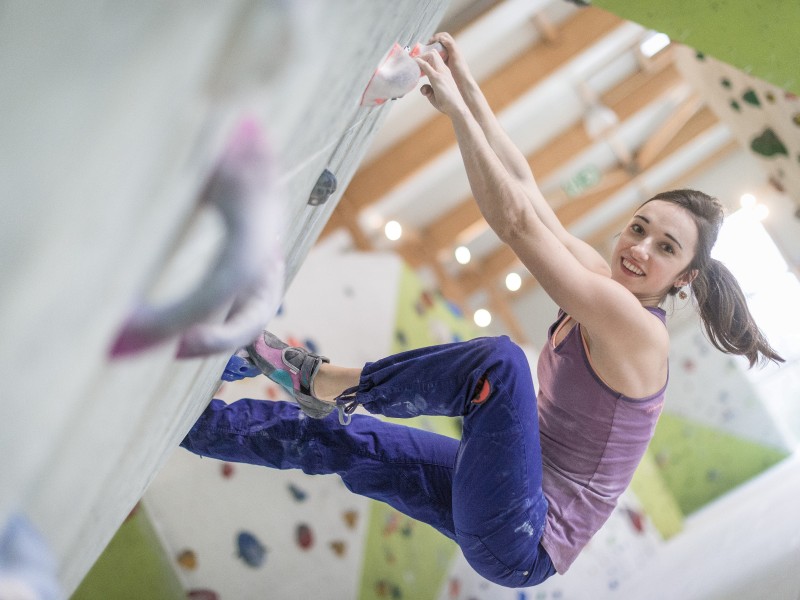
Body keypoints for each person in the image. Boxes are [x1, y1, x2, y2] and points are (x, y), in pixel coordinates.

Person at [181, 33, 784, 588]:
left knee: (499, 364)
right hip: (507, 494)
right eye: (638, 228)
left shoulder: (636, 331)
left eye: (665, 248)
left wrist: (453, 111)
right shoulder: (603, 284)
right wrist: (465, 84)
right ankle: (195, 429)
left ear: (685, 279)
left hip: (526, 535)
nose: (639, 249)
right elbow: (525, 187)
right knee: (347, 443)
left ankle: (315, 377)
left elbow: (517, 223)